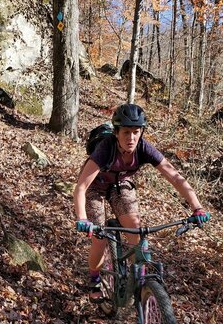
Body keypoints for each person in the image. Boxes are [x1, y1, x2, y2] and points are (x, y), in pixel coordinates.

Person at [73, 103, 210, 302]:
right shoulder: (106, 149)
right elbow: (81, 187)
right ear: (117, 132)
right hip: (95, 188)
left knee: (135, 229)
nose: (131, 138)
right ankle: (94, 278)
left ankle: (138, 278)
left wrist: (197, 207)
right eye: (126, 132)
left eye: (136, 132)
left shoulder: (144, 148)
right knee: (100, 237)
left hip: (120, 184)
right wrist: (83, 218)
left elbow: (175, 177)